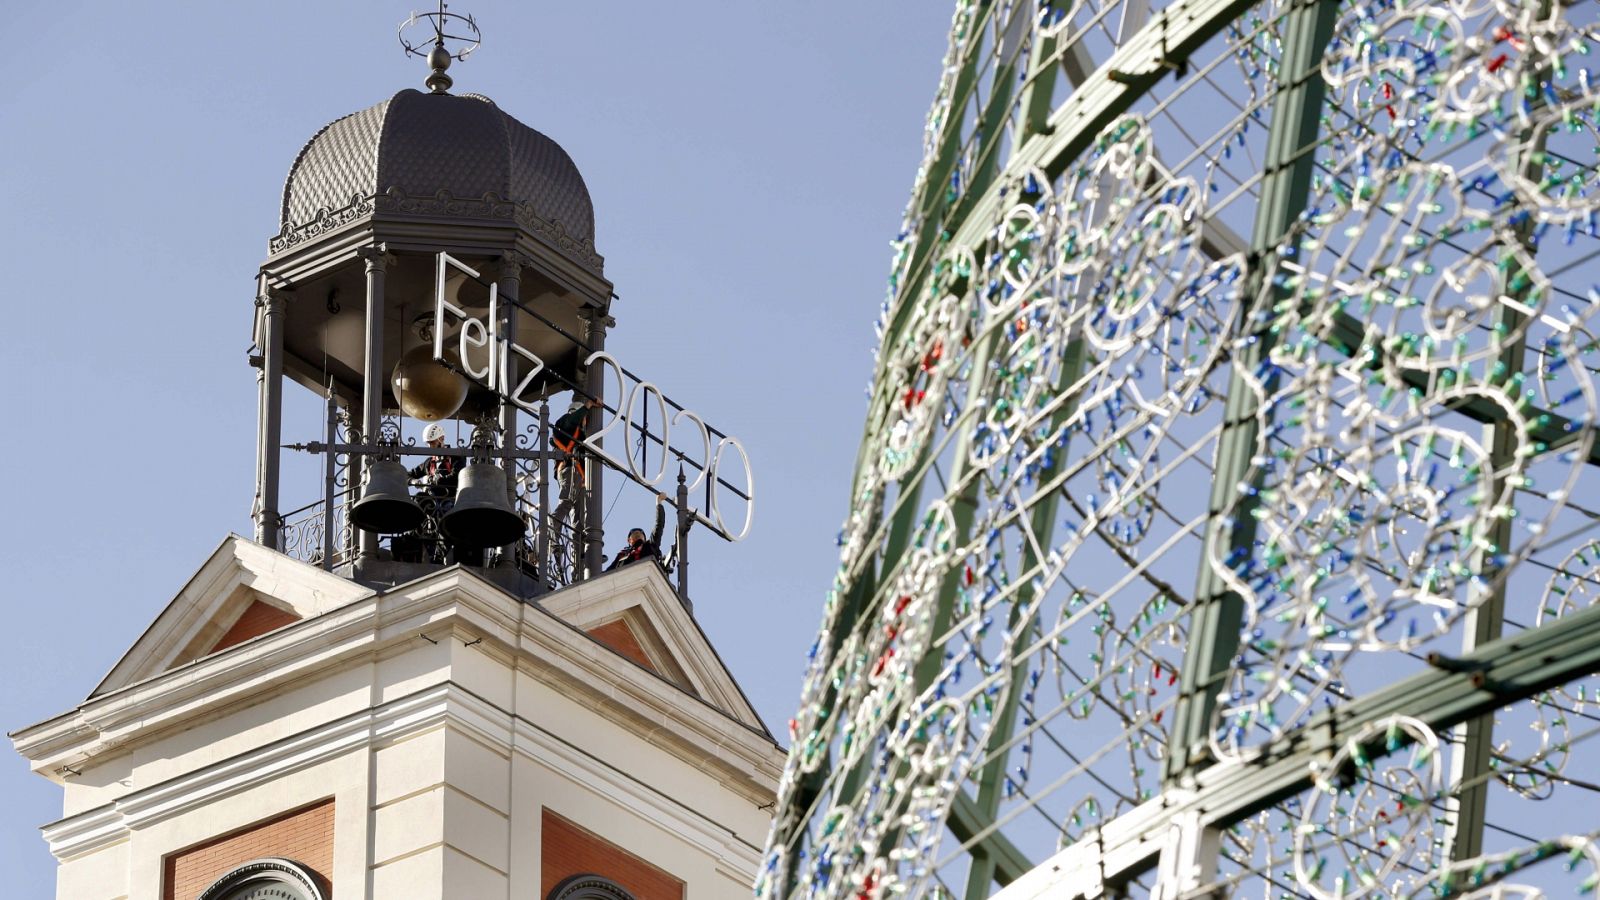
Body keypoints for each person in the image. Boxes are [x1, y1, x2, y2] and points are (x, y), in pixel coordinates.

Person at [550, 395, 603, 530]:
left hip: (578, 476)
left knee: (579, 519)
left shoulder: (579, 436)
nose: (585, 421)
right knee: (566, 502)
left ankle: (577, 550)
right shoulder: (565, 423)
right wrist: (588, 405)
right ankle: (552, 533)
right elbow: (572, 421)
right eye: (584, 417)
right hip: (569, 469)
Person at [607, 492, 668, 571]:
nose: (638, 533)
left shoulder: (649, 546)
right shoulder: (622, 555)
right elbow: (608, 572)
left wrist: (658, 502)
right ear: (628, 540)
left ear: (645, 539)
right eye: (634, 533)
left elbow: (659, 525)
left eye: (641, 533)